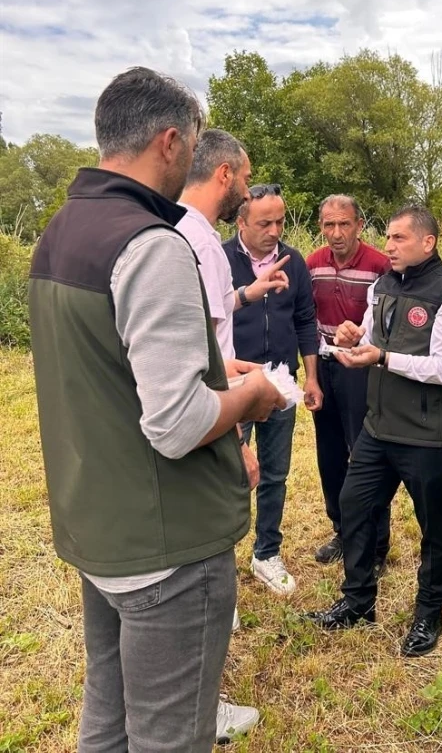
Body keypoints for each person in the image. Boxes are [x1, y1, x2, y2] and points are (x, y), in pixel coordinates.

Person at [28, 68, 287, 753]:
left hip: (98, 529)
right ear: (171, 141)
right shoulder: (152, 243)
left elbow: (108, 369)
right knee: (170, 737)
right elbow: (175, 424)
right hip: (165, 549)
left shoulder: (61, 231)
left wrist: (208, 366)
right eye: (193, 142)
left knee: (107, 723)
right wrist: (254, 396)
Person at [306, 205, 442, 657]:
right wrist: (352, 337)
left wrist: (381, 358)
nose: (389, 246)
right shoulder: (384, 285)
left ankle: (429, 612)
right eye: (388, 237)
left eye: (400, 238)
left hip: (429, 432)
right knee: (354, 504)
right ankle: (358, 601)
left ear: (428, 242)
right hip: (379, 425)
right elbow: (368, 338)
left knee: (434, 524)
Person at [176, 129, 292, 740]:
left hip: (218, 398)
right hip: (213, 417)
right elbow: (201, 360)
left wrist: (236, 366)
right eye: (245, 176)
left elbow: (207, 337)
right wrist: (241, 434)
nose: (249, 185)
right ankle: (203, 709)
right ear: (225, 175)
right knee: (210, 548)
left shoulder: (179, 234)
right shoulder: (196, 240)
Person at [223, 184, 322, 595]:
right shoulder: (220, 260)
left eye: (280, 221)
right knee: (228, 474)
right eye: (265, 222)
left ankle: (266, 552)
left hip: (282, 382)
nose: (275, 229)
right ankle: (220, 565)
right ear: (241, 220)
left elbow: (305, 320)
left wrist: (311, 376)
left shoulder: (293, 262)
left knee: (275, 473)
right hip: (235, 385)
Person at [307, 195, 391, 567]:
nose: (336, 233)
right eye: (329, 225)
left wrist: (363, 337)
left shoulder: (381, 266)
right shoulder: (312, 265)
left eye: (344, 224)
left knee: (367, 453)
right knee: (329, 452)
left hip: (362, 369)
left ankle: (375, 541)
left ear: (359, 224)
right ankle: (342, 530)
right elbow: (302, 316)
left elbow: (392, 325)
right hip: (324, 366)